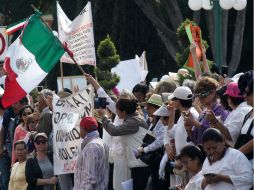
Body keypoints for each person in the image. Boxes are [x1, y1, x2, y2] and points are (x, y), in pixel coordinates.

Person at [99, 97, 150, 190]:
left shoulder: (133, 121)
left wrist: (104, 118)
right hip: (138, 162)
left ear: (124, 112)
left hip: (140, 163)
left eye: (117, 110)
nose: (116, 113)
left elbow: (114, 131)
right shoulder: (134, 119)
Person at [184, 77, 228, 145]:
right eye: (198, 96)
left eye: (203, 95)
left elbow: (217, 134)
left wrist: (194, 122)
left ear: (213, 92)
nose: (200, 98)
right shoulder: (204, 112)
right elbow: (196, 140)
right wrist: (188, 130)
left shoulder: (221, 109)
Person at [205, 82, 251, 146]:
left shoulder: (241, 111)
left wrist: (215, 121)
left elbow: (230, 136)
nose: (220, 102)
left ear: (229, 99)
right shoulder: (240, 109)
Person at [137, 94, 166, 189]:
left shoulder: (161, 122)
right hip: (153, 161)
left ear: (155, 109)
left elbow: (160, 142)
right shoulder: (153, 121)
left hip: (158, 160)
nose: (146, 109)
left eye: (149, 107)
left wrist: (145, 149)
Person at [74, 116, 109, 190]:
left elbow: (89, 178)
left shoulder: (91, 147)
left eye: (80, 128)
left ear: (83, 129)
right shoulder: (102, 142)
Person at [235, 71, 253, 165]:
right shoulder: (248, 114)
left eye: (248, 93)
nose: (244, 96)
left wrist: (236, 154)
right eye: (244, 92)